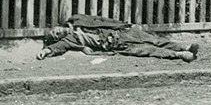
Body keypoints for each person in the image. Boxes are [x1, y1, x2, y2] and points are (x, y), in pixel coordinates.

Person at [37, 14, 199, 62]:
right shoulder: (70, 40)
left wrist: (122, 24)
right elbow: (57, 48)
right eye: (55, 36)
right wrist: (46, 51)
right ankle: (179, 55)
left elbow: (100, 20)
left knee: (154, 39)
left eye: (56, 31)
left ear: (59, 26)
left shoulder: (77, 19)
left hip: (121, 31)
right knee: (147, 50)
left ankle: (183, 47)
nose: (58, 33)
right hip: (115, 45)